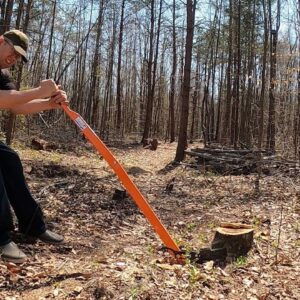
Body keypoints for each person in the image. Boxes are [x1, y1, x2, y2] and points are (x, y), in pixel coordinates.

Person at [0, 29, 68, 263]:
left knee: (10, 159)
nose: (14, 58)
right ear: (1, 41)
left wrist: (50, 103)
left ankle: (32, 225)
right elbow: (2, 100)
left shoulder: (2, 74)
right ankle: (1, 238)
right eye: (13, 51)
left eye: (19, 56)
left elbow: (16, 105)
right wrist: (40, 90)